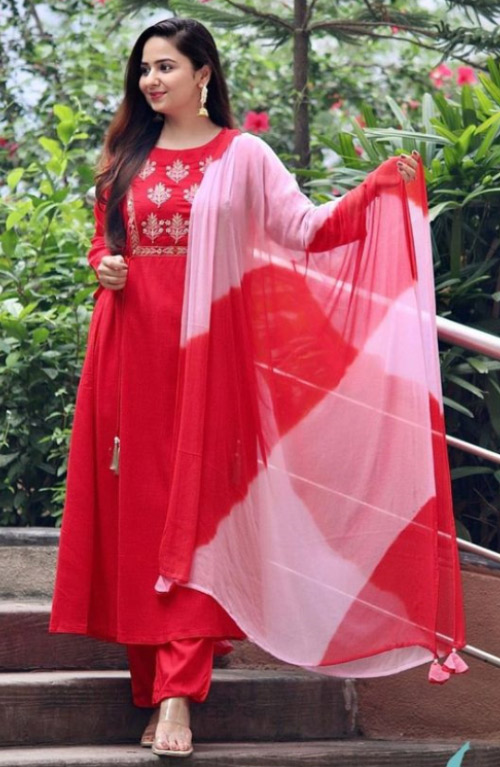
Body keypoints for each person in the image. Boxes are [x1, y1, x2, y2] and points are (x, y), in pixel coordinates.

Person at [50, 16, 465, 760]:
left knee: (198, 514)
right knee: (139, 514)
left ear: (204, 72)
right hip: (126, 354)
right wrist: (105, 265)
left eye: (167, 66)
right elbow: (104, 239)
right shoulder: (125, 155)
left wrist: (374, 193)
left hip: (207, 359)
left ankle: (179, 691)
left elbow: (304, 229)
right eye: (144, 68)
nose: (151, 80)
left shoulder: (243, 156)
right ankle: (152, 683)